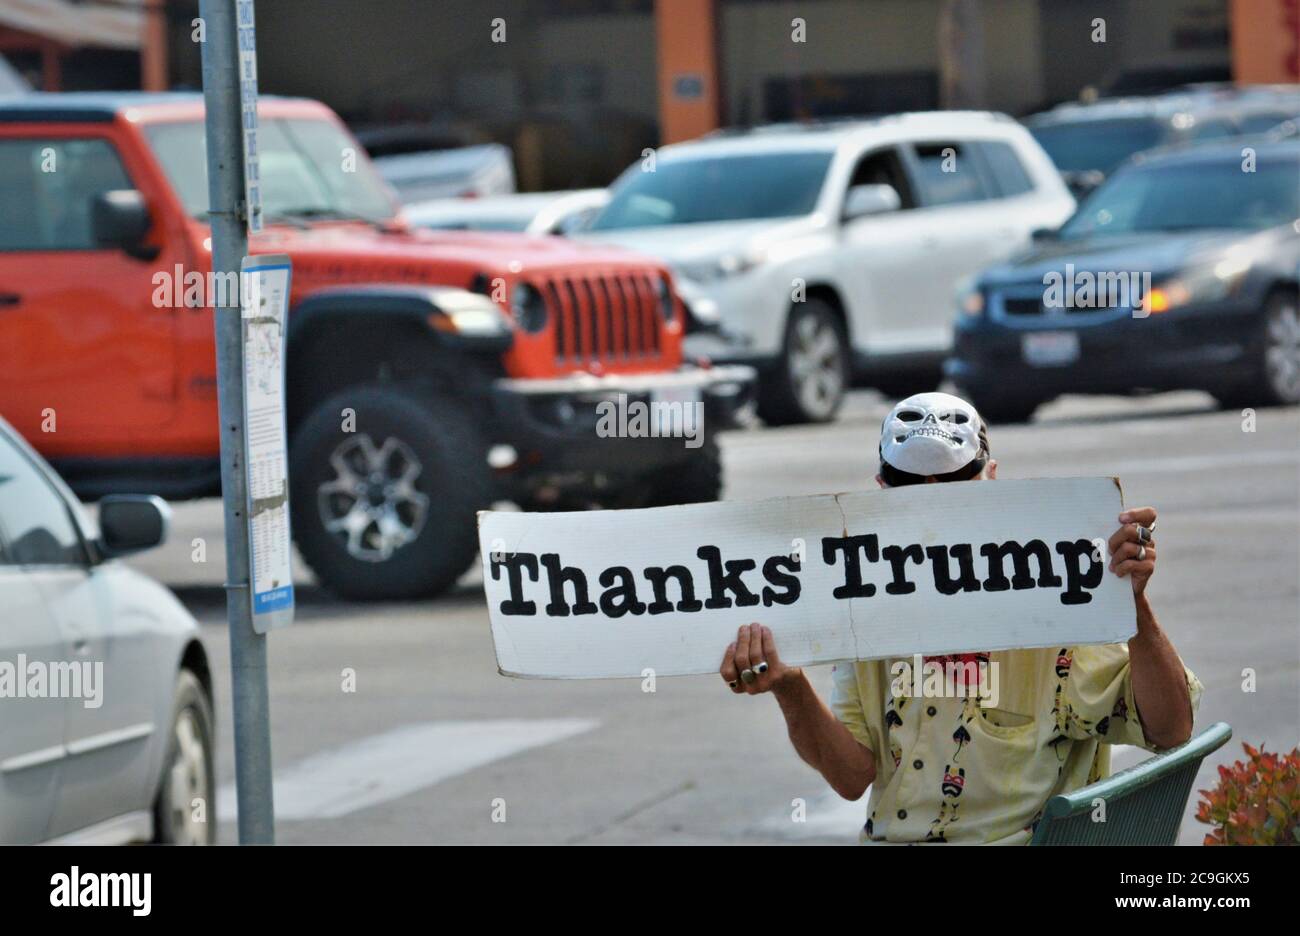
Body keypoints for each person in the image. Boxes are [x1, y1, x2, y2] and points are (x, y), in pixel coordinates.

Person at [718, 391, 1201, 844]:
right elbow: (851, 777)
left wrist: (1131, 604)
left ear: (991, 479)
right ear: (881, 490)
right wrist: (790, 686)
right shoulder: (866, 605)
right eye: (910, 489)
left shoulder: (1055, 601)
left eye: (952, 487)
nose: (933, 507)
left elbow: (1169, 728)